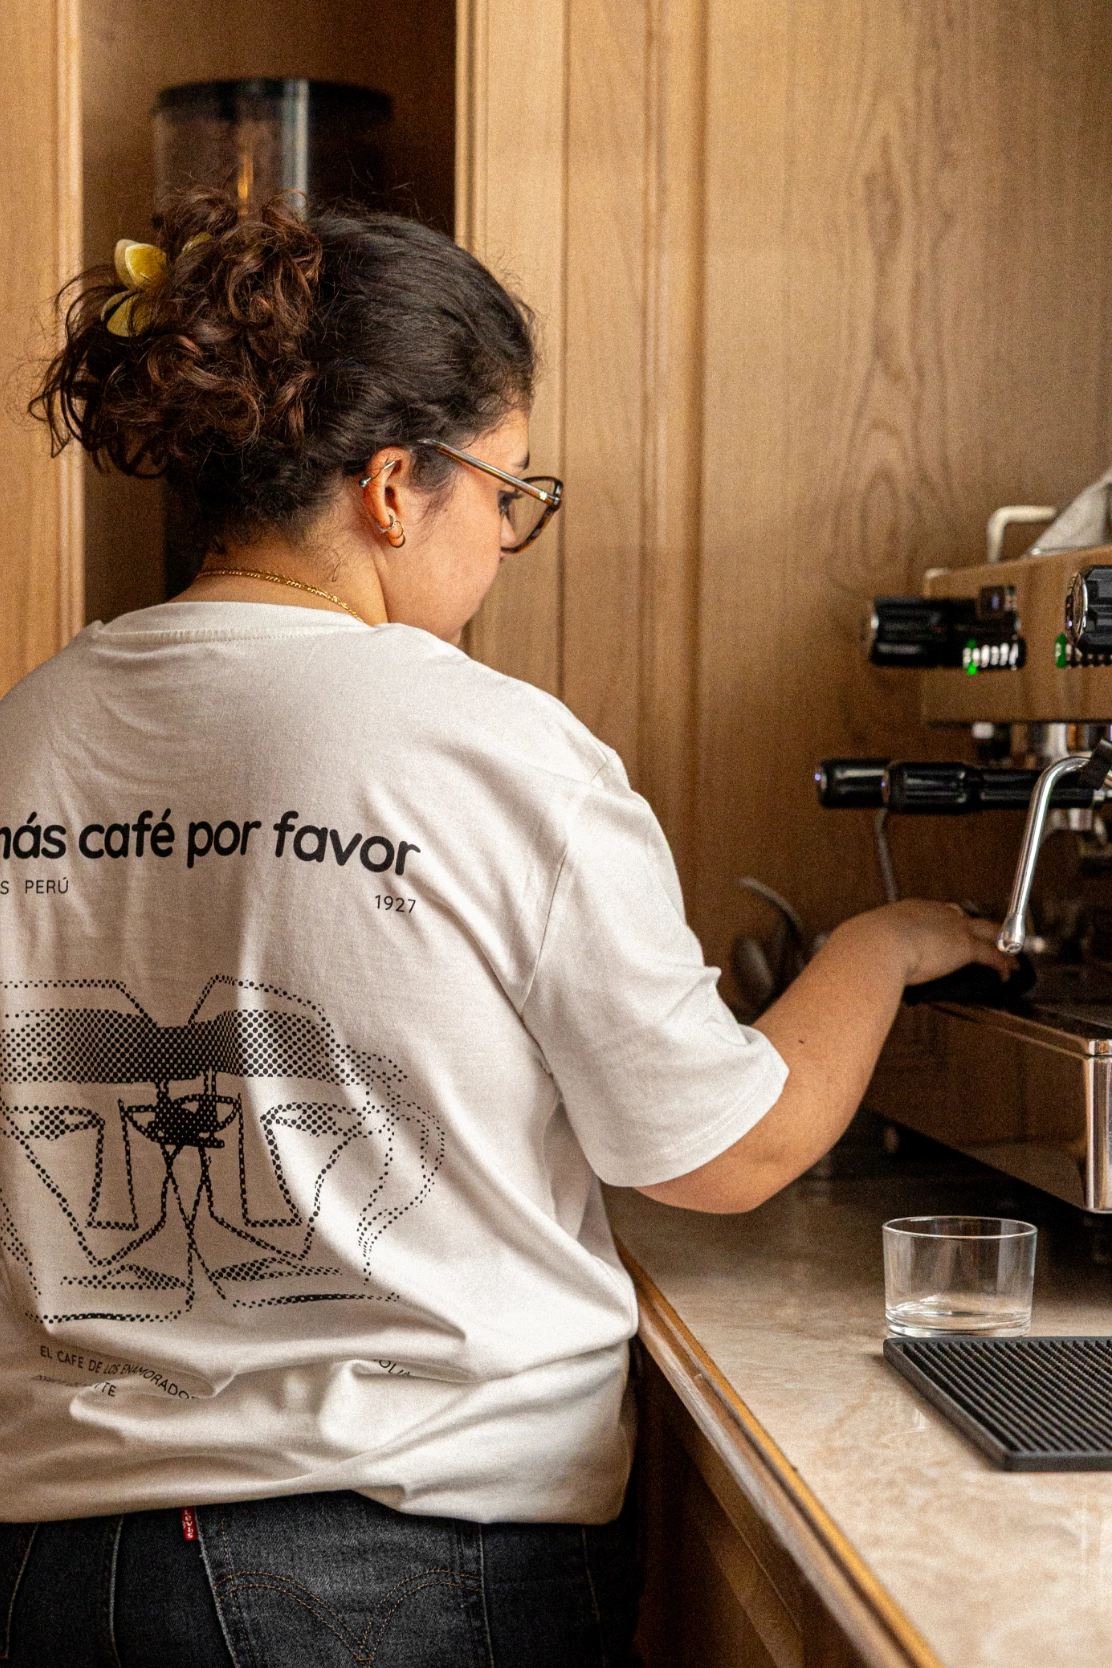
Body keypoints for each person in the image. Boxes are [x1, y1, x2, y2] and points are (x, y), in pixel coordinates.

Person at [0, 188, 1010, 1668]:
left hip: (53, 1571)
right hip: (390, 1573)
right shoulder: (482, 745)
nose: (504, 538)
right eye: (510, 492)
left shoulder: (31, 731)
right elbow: (730, 1152)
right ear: (396, 486)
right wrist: (884, 943)